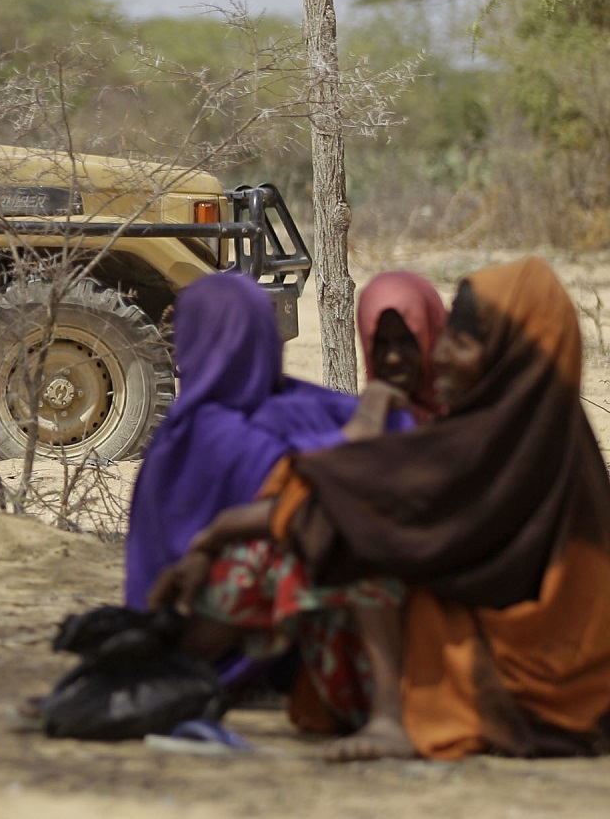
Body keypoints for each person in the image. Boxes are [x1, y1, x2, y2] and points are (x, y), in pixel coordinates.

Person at [154, 258, 610, 762]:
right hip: (517, 664)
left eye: (459, 342)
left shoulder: (495, 448)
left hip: (518, 683)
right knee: (325, 530)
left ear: (511, 357)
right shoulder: (535, 438)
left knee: (344, 541)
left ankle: (388, 719)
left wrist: (213, 534)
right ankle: (163, 677)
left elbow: (360, 498)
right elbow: (355, 483)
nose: (437, 356)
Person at [123, 270, 406, 611]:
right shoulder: (213, 433)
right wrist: (375, 406)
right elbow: (312, 469)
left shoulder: (175, 434)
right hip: (215, 645)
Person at [357, 271, 448, 421]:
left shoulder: (474, 425)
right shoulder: (353, 430)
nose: (393, 359)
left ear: (432, 336)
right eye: (380, 343)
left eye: (406, 340)